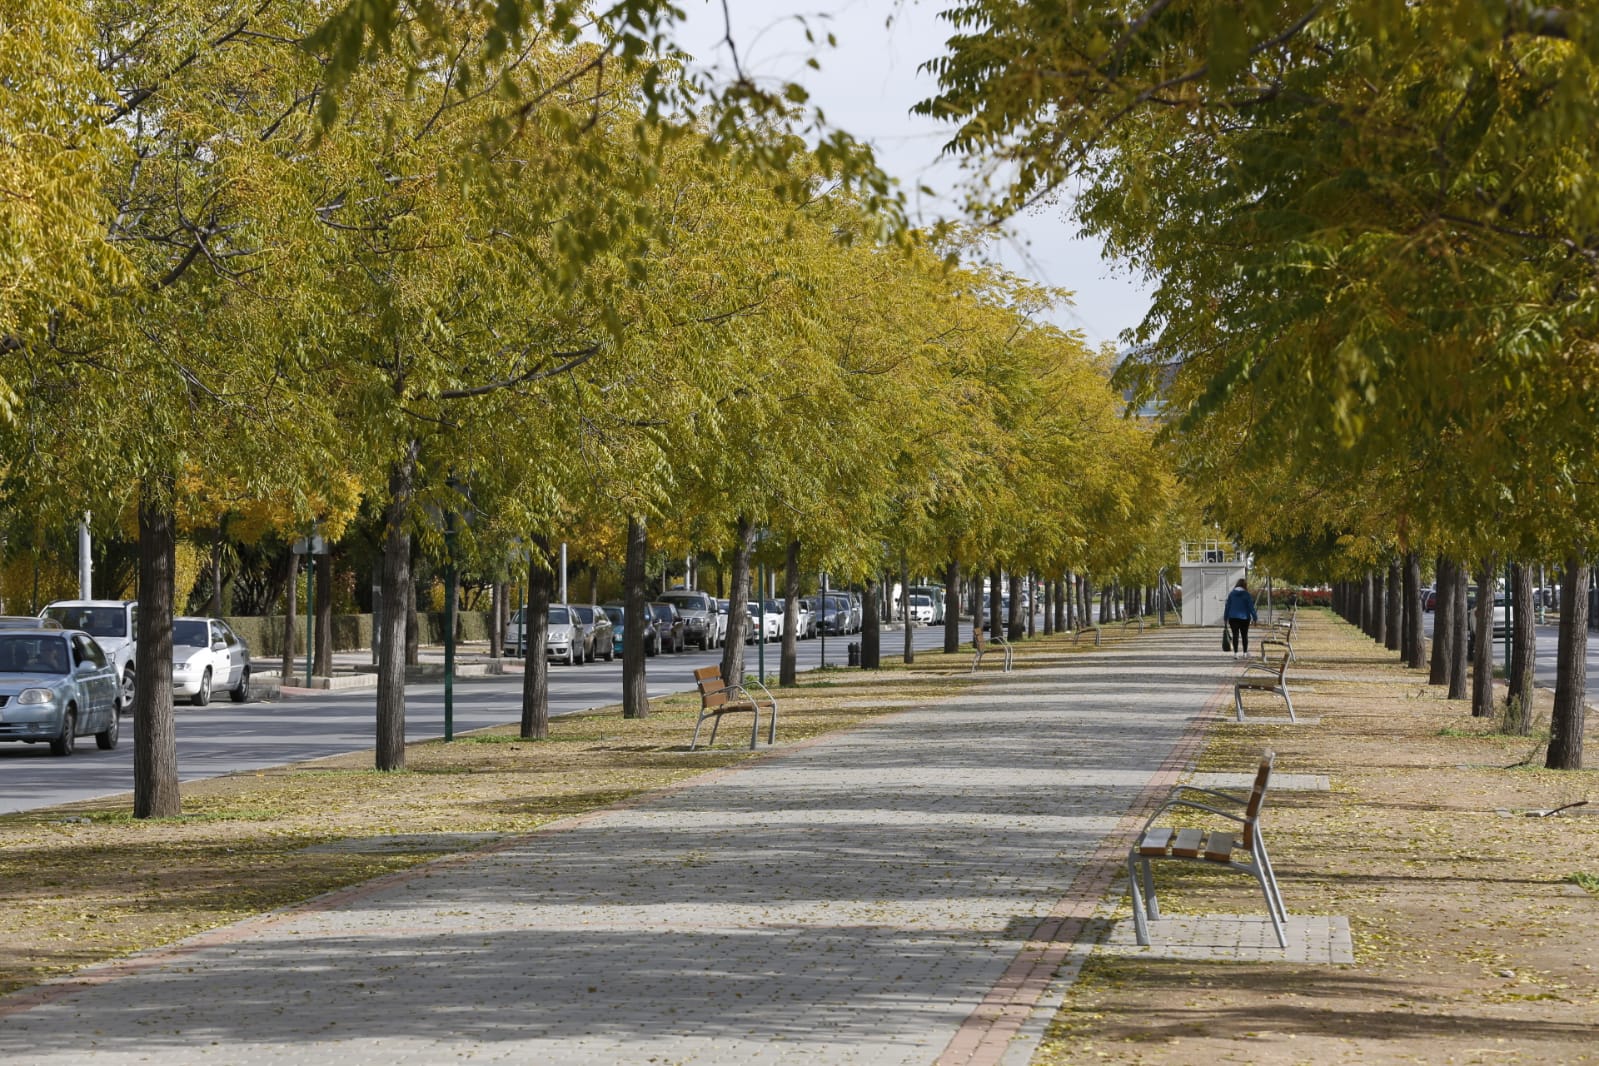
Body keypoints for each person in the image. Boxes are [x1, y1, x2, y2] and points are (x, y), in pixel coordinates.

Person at [1224, 578, 1258, 660]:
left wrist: (1225, 617)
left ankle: (1236, 654)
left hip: (1233, 618)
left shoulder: (1231, 594)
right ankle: (1245, 653)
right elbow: (1251, 607)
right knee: (1244, 635)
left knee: (1235, 635)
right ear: (1245, 585)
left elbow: (1227, 607)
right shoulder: (1247, 594)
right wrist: (1255, 617)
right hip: (1244, 618)